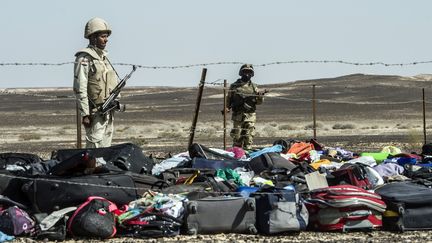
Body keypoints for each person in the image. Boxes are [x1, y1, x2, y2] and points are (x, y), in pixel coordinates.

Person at [73, 17, 119, 148]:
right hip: (95, 113)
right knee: (94, 149)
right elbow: (79, 87)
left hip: (109, 112)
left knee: (106, 151)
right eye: (103, 36)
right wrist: (85, 114)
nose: (106, 39)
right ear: (93, 37)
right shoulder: (84, 58)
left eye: (106, 36)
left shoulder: (104, 59)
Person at [225, 64, 266, 150]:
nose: (247, 74)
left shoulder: (254, 87)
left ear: (252, 74)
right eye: (245, 71)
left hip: (250, 116)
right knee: (237, 137)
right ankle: (237, 155)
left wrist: (260, 96)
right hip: (238, 115)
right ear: (241, 73)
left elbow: (258, 102)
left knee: (248, 137)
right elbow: (229, 98)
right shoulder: (234, 86)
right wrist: (227, 107)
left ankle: (247, 154)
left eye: (249, 72)